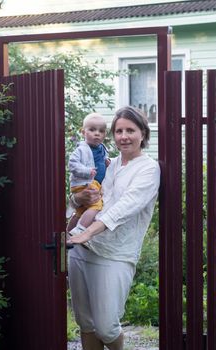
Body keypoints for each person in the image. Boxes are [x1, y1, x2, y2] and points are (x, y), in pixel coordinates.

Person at [67, 106, 161, 350]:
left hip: (115, 254)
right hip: (81, 250)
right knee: (86, 323)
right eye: (119, 131)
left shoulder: (148, 169)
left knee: (107, 326)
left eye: (130, 130)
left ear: (143, 133)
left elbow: (125, 207)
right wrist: (77, 200)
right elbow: (87, 198)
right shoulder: (109, 164)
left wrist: (88, 231)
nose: (124, 136)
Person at [67, 113, 109, 235]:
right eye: (92, 130)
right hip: (84, 183)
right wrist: (87, 171)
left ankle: (67, 233)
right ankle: (80, 229)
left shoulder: (101, 148)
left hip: (94, 184)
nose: (97, 133)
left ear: (104, 134)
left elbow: (102, 159)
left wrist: (107, 162)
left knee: (80, 211)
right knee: (97, 205)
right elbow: (72, 164)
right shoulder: (81, 149)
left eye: (101, 131)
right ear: (83, 132)